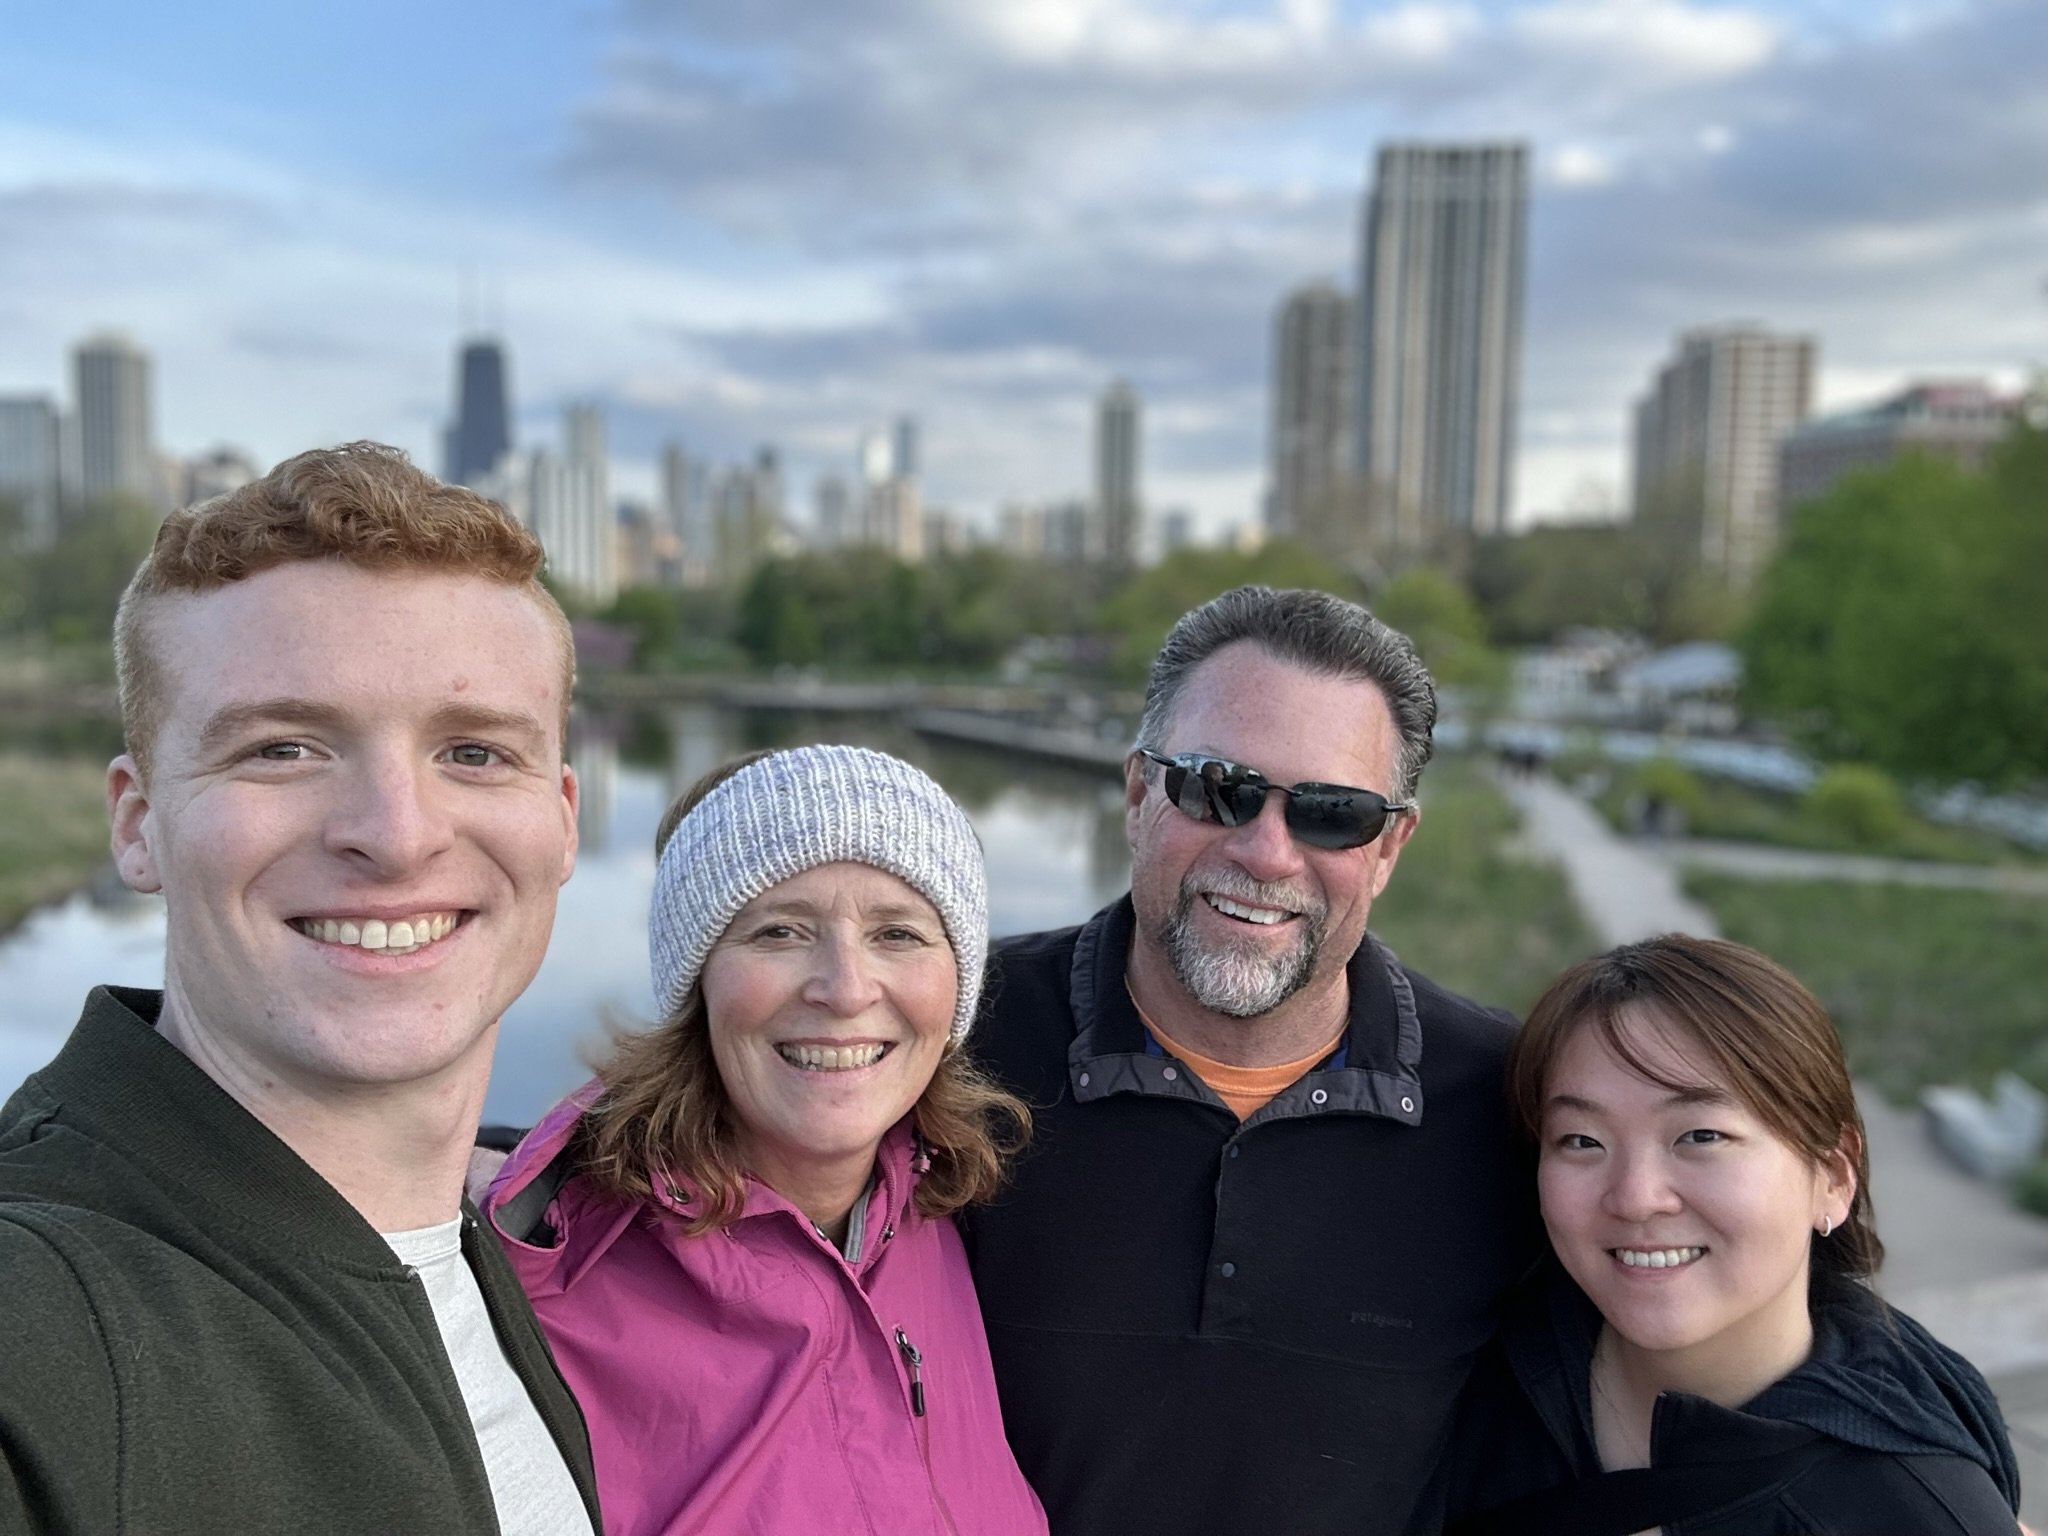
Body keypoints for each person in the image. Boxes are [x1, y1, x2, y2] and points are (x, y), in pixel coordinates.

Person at [0, 444, 600, 1533]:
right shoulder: (41, 1304)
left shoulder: (534, 1240)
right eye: (282, 749)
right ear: (138, 823)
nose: (396, 835)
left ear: (562, 819)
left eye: (472, 753)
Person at [963, 585, 1541, 1536]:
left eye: (1332, 813)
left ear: (1389, 846)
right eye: (1215, 788)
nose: (1268, 852)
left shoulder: (1507, 1104)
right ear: (1138, 795)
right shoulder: (952, 1043)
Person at [483, 744, 1049, 1536]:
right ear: (696, 980)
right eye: (780, 931)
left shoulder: (947, 1212)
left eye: (897, 933)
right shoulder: (532, 1293)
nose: (845, 989)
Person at [1450, 935, 2021, 1535]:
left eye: (1701, 1136)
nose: (1636, 1197)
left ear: (1833, 1175)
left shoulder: (1911, 1510)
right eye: (1582, 1141)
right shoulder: (1461, 1361)